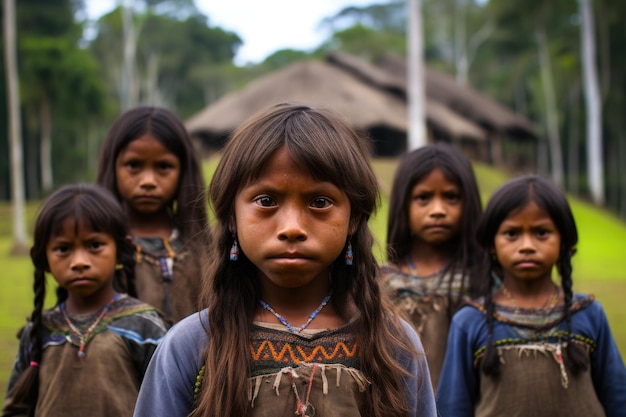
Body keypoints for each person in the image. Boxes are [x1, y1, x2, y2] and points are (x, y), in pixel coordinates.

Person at [133, 103, 437, 417]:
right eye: (266, 201)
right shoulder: (191, 346)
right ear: (232, 217)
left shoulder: (392, 344)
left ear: (355, 218)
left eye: (320, 202)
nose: (292, 227)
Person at [436, 174, 626, 417]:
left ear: (565, 242)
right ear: (491, 245)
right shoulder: (470, 322)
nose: (527, 245)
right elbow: (453, 408)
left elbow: (618, 398)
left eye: (541, 232)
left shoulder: (589, 314)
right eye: (512, 234)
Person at [2, 184, 168, 417]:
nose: (79, 261)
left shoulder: (144, 326)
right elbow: (16, 408)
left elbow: (168, 405)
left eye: (94, 245)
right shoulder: (38, 332)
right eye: (63, 249)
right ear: (44, 259)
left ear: (120, 250)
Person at [382, 142, 486, 390]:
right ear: (403, 205)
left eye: (451, 197)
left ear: (468, 203)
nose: (438, 210)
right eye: (423, 198)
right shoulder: (379, 282)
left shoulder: (482, 279)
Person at [96, 106, 209, 324]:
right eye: (133, 165)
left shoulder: (204, 249)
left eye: (163, 167)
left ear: (183, 172)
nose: (148, 181)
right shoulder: (98, 247)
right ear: (113, 167)